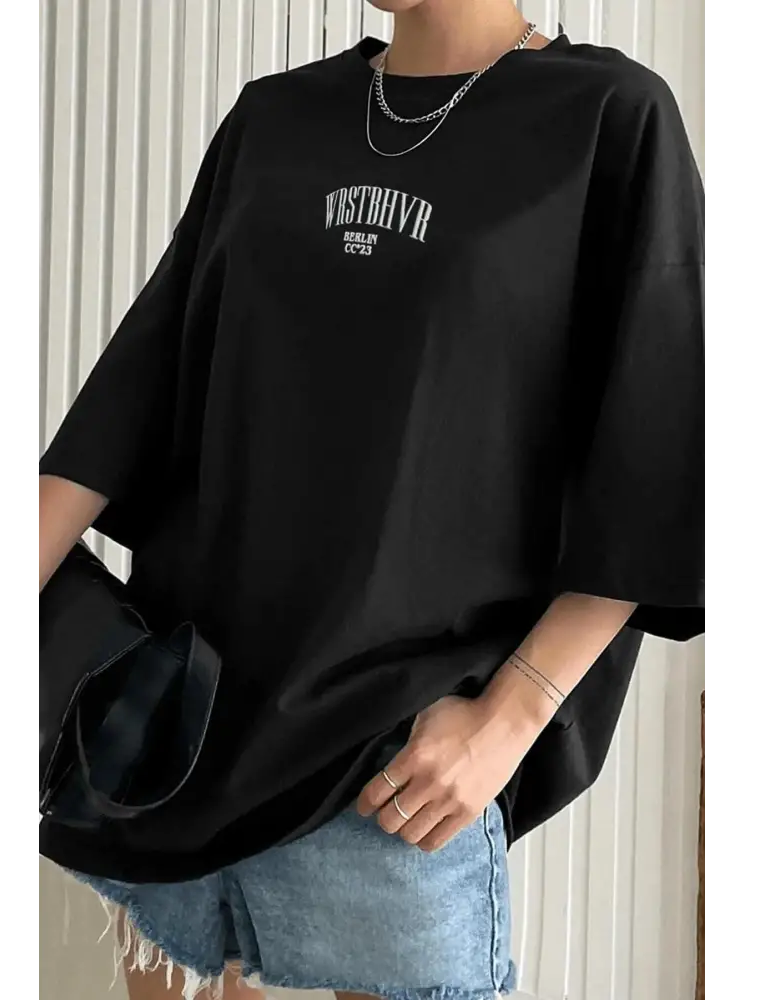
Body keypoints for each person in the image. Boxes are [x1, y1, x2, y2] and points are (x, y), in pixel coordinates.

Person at [36, 0, 707, 998]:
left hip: (395, 763)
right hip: (185, 731)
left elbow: (658, 459)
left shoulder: (608, 118)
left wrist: (509, 718)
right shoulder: (274, 120)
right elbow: (133, 397)